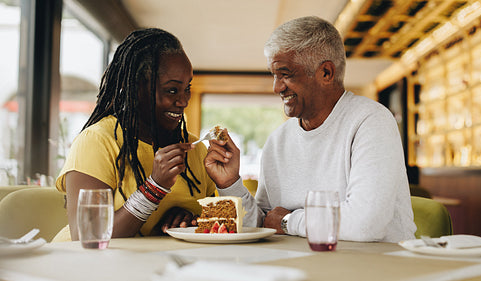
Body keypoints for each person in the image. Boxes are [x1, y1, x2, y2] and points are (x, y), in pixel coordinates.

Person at [204, 16, 417, 242]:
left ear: (326, 73)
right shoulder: (278, 140)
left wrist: (289, 222)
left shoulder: (371, 121)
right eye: (274, 75)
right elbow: (265, 223)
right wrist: (230, 184)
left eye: (285, 74)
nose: (276, 87)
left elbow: (364, 225)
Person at [55, 28, 216, 240]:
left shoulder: (194, 147)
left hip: (159, 268)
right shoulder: (98, 141)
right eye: (172, 90)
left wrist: (191, 219)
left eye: (187, 88)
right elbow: (88, 236)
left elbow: (214, 220)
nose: (184, 100)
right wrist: (154, 188)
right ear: (134, 87)